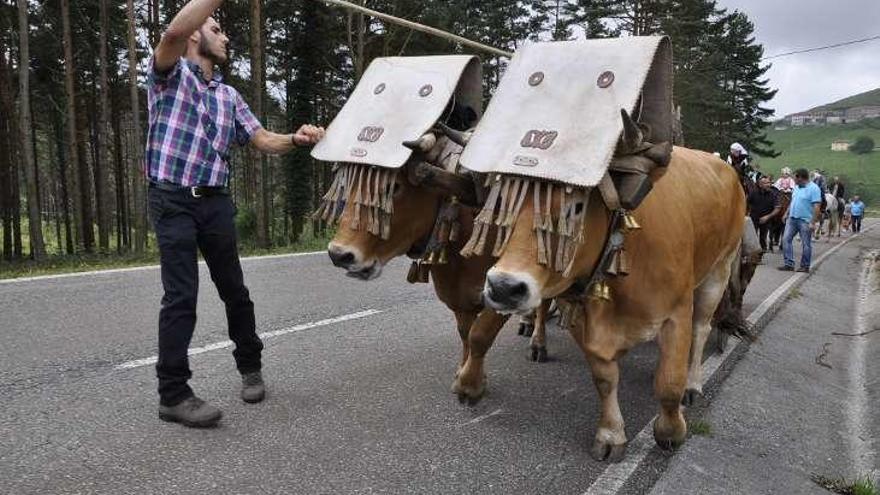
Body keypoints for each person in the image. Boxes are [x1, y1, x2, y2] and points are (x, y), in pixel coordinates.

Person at [146, 0, 325, 427]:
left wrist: (297, 140)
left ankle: (250, 366)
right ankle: (173, 394)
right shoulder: (166, 75)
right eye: (217, 28)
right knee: (181, 296)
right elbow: (171, 34)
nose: (225, 37)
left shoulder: (228, 95)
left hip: (215, 202)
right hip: (171, 199)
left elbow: (263, 140)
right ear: (195, 35)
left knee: (234, 290)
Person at [779, 168, 822, 273]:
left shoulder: (814, 188)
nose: (793, 179)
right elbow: (793, 201)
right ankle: (789, 264)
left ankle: (805, 266)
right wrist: (786, 213)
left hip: (805, 220)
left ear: (801, 177)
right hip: (792, 219)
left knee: (806, 244)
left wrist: (813, 222)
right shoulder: (797, 188)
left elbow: (817, 206)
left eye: (795, 177)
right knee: (785, 240)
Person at [747, 175, 781, 252]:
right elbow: (746, 203)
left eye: (769, 183)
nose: (768, 184)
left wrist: (767, 217)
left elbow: (777, 208)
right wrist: (747, 214)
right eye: (765, 183)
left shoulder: (773, 194)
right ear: (760, 185)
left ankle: (761, 253)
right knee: (752, 237)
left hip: (766, 220)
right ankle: (752, 254)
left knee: (763, 238)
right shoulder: (754, 193)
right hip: (753, 219)